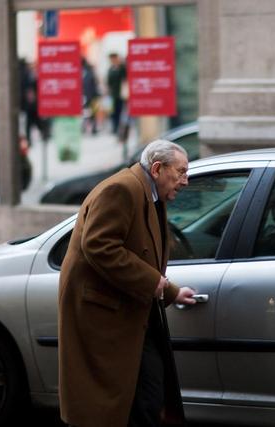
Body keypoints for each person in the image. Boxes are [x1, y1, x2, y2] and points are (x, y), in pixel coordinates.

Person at [58, 139, 196, 427]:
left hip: (128, 313)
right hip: (104, 316)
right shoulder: (122, 189)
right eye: (181, 172)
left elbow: (140, 254)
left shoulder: (149, 192)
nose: (186, 180)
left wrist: (172, 291)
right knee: (120, 404)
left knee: (148, 395)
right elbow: (99, 246)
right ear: (157, 168)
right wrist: (154, 282)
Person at [106, 52, 127, 136]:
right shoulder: (110, 69)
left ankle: (120, 128)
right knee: (113, 112)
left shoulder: (122, 68)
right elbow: (108, 82)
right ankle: (115, 127)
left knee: (120, 111)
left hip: (121, 94)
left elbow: (125, 79)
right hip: (112, 95)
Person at [81, 57, 99, 134]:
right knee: (85, 112)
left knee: (92, 113)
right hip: (85, 95)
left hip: (90, 95)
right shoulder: (88, 72)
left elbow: (93, 84)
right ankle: (84, 127)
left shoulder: (89, 72)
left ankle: (93, 127)